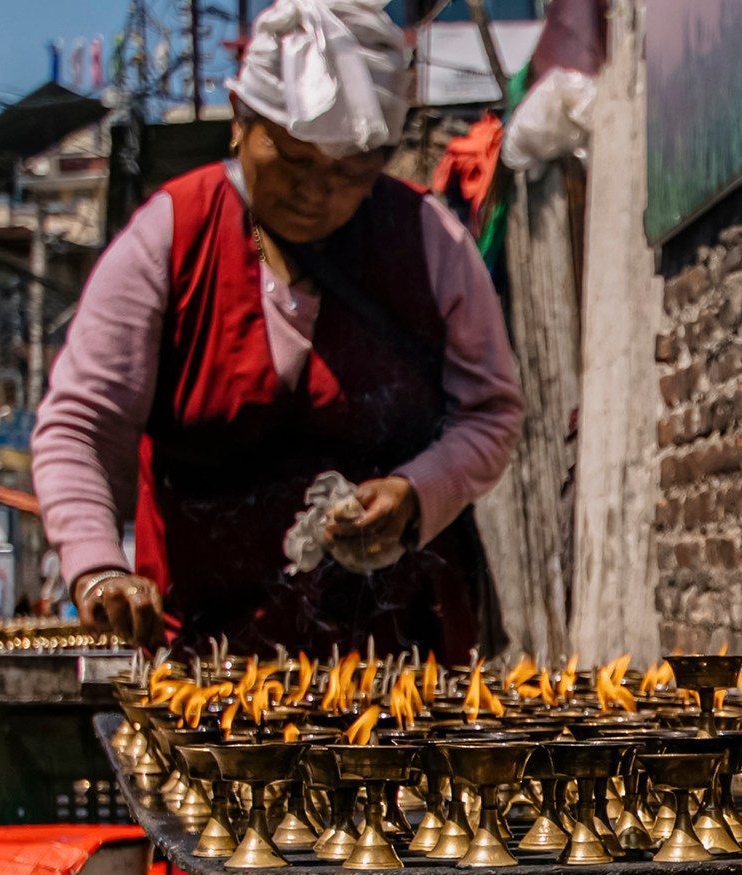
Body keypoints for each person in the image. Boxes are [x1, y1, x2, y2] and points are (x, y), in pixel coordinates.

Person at [30, 0, 522, 659]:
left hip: (396, 663)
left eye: (349, 171)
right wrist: (96, 565)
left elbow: (489, 415)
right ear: (239, 121)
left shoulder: (430, 241)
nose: (317, 192)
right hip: (203, 662)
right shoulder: (170, 238)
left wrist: (416, 493)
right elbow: (80, 427)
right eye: (292, 161)